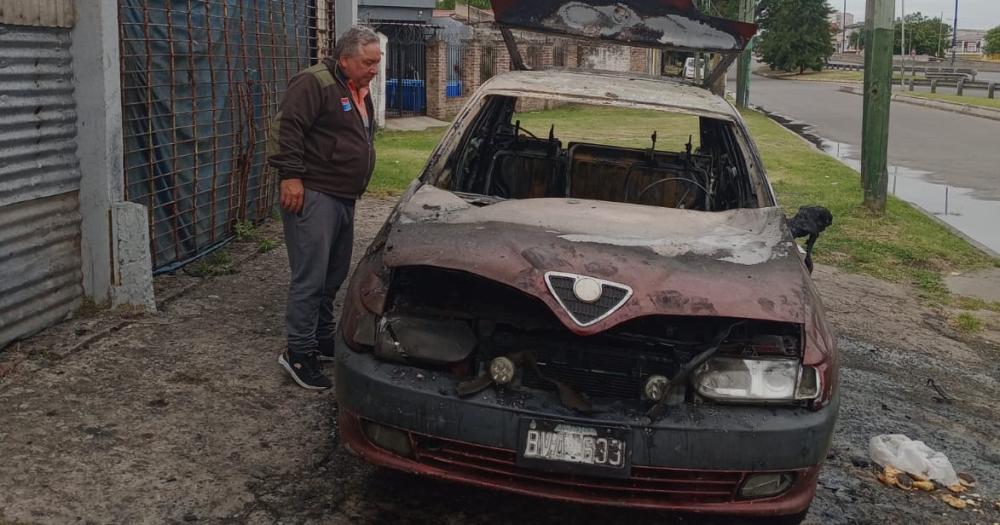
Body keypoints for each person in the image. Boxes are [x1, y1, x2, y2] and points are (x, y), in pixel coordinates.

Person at [267, 26, 381, 390]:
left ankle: (320, 337)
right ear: (344, 58)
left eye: (377, 62)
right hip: (315, 194)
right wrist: (291, 176)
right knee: (310, 277)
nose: (374, 68)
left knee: (333, 275)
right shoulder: (314, 82)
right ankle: (298, 352)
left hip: (343, 196)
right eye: (368, 62)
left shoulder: (357, 88)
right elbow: (288, 128)